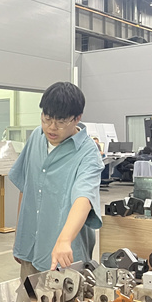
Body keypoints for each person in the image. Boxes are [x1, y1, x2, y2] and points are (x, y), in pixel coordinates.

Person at [9, 82, 104, 281]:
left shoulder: (88, 153)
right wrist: (20, 236)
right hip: (30, 248)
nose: (52, 127)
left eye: (61, 121)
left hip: (65, 255)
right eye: (47, 118)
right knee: (27, 299)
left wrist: (64, 240)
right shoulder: (36, 137)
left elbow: (84, 198)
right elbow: (26, 187)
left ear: (77, 118)